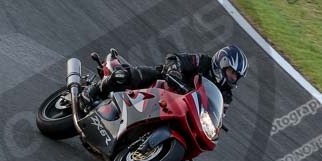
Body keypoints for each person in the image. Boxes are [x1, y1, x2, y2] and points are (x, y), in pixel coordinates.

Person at [82, 45, 248, 113]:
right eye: (232, 72)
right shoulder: (202, 61)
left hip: (180, 107)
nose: (233, 78)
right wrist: (174, 70)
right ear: (222, 63)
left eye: (236, 76)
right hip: (165, 83)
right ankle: (93, 90)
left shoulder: (226, 95)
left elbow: (217, 113)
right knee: (124, 75)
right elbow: (175, 58)